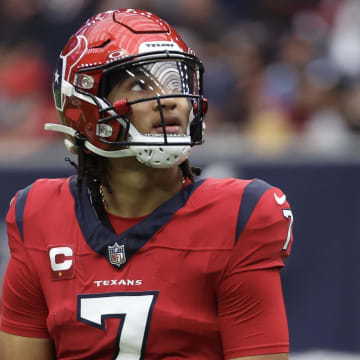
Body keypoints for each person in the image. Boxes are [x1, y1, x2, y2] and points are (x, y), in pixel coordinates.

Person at [0, 8, 294, 360]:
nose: (170, 98)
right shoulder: (38, 214)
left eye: (175, 80)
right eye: (140, 84)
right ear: (84, 106)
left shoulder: (241, 213)